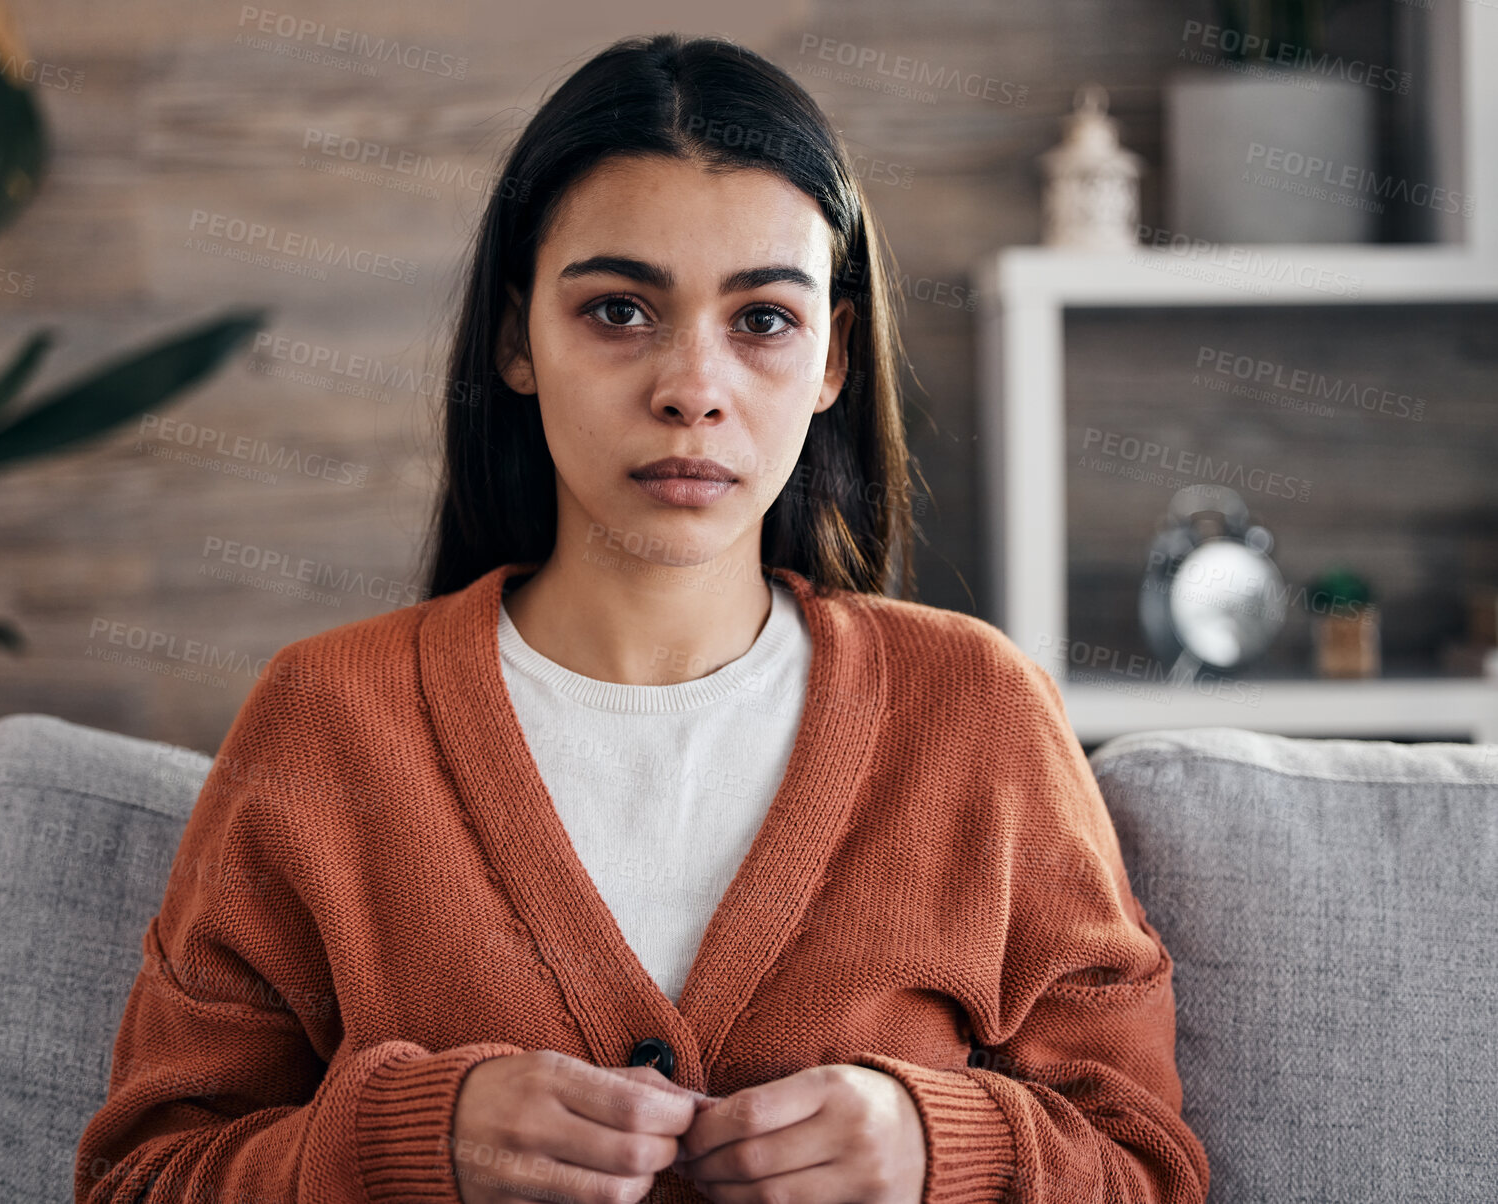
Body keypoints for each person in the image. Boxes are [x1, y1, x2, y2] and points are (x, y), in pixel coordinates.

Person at [75, 32, 1209, 1204]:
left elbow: (1144, 1166)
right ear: (518, 340)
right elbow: (138, 1179)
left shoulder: (973, 709)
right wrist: (400, 1148)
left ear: (835, 359)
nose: (690, 387)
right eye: (618, 310)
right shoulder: (325, 718)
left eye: (763, 319)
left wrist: (944, 1148)